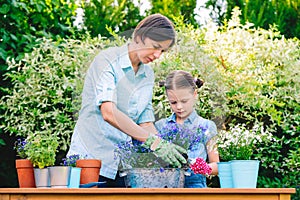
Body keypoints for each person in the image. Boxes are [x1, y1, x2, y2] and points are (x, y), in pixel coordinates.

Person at [67, 14, 187, 187]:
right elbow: (108, 112)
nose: (157, 55)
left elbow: (145, 123)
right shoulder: (107, 60)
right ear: (139, 36)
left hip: (122, 167)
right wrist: (154, 143)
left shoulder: (147, 75)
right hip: (91, 160)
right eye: (155, 47)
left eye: (162, 51)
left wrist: (165, 149)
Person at [155, 70, 220, 188]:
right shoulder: (160, 126)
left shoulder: (207, 126)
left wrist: (202, 167)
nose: (179, 107)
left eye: (184, 101)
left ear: (195, 94)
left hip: (195, 187)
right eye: (173, 102)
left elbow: (216, 165)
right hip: (165, 188)